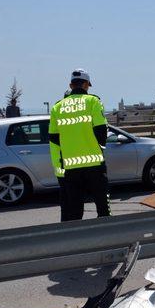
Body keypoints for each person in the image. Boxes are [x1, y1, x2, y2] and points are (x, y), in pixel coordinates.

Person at [49, 69, 110, 221]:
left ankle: (77, 240)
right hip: (94, 163)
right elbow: (101, 130)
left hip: (70, 166)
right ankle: (107, 237)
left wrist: (60, 167)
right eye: (88, 85)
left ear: (71, 85)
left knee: (74, 210)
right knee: (102, 206)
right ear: (85, 84)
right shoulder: (93, 101)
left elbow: (54, 139)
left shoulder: (57, 107)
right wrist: (100, 151)